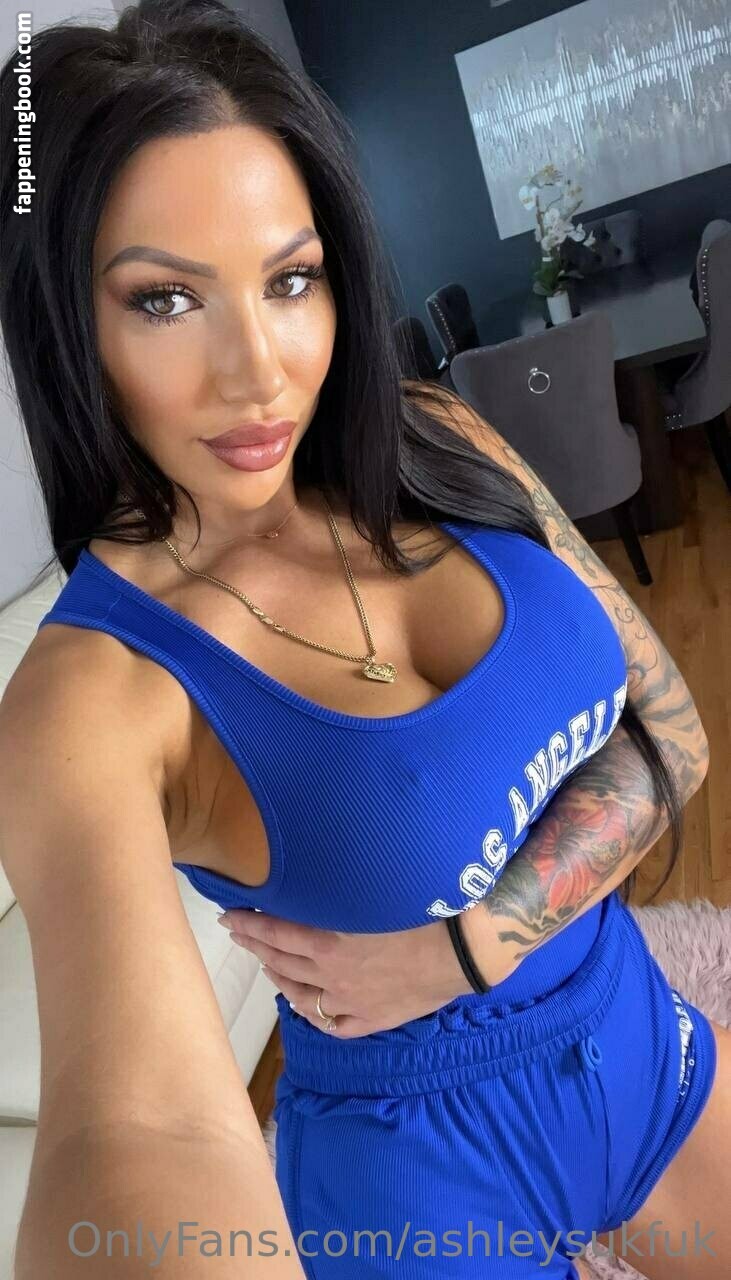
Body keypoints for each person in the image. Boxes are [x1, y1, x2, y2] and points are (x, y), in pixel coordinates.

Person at [0, 2, 727, 1277]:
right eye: (164, 299)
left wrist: (463, 946)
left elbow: (668, 733)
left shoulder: (440, 439)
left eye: (290, 279)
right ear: (69, 326)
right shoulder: (93, 691)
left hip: (628, 1031)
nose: (258, 371)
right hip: (413, 1181)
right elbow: (138, 1127)